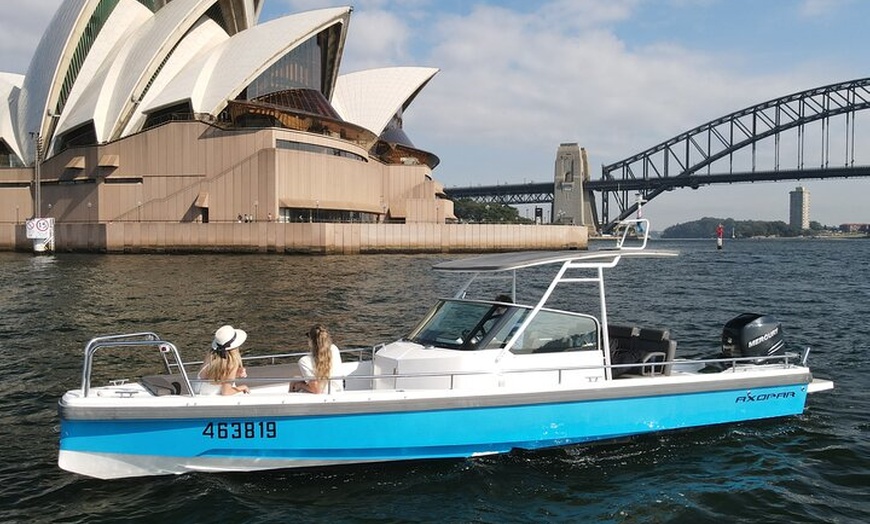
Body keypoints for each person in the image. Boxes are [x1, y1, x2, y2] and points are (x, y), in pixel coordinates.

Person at [197, 324, 250, 395]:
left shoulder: (210, 355)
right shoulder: (232, 364)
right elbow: (226, 392)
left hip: (198, 390)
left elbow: (216, 375)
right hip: (214, 395)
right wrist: (243, 387)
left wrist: (235, 374)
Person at [290, 324, 343, 394]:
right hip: (338, 392)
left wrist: (300, 385)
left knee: (294, 382)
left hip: (322, 396)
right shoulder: (334, 349)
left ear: (311, 341)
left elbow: (317, 390)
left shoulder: (304, 361)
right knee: (295, 379)